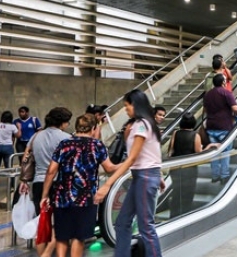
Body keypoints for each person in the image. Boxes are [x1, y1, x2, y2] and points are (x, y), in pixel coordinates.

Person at [95, 90, 165, 257]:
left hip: (145, 177)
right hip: (144, 177)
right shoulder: (147, 124)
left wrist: (107, 184)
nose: (126, 109)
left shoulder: (141, 125)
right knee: (122, 223)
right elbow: (153, 153)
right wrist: (159, 176)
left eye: (127, 106)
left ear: (136, 105)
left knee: (146, 227)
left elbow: (132, 158)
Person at [42, 115, 119, 257]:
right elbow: (109, 168)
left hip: (62, 198)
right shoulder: (97, 145)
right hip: (86, 199)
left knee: (62, 235)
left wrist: (45, 195)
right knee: (79, 236)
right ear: (94, 128)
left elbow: (51, 171)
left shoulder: (64, 144)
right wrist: (127, 164)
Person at [19, 107, 73, 257]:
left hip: (38, 183)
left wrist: (23, 180)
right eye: (67, 122)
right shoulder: (66, 138)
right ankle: (48, 253)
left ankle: (42, 254)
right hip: (58, 183)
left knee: (42, 223)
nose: (68, 125)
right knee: (61, 222)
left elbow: (26, 156)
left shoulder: (36, 136)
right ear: (62, 122)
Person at [167, 112, 218, 217]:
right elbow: (199, 153)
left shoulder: (175, 133)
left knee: (176, 193)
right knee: (188, 194)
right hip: (189, 169)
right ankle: (185, 215)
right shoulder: (195, 135)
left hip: (175, 168)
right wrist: (210, 146)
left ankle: (173, 216)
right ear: (193, 123)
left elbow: (171, 151)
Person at [203, 74, 237, 182]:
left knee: (213, 152)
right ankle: (224, 175)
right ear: (223, 82)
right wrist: (234, 113)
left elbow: (205, 110)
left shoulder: (208, 95)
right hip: (224, 126)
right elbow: (235, 108)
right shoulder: (226, 93)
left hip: (211, 126)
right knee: (225, 152)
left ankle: (215, 176)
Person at [0, 111, 20, 195]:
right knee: (9, 168)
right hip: (8, 147)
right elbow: (18, 135)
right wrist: (19, 128)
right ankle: (12, 187)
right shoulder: (12, 126)